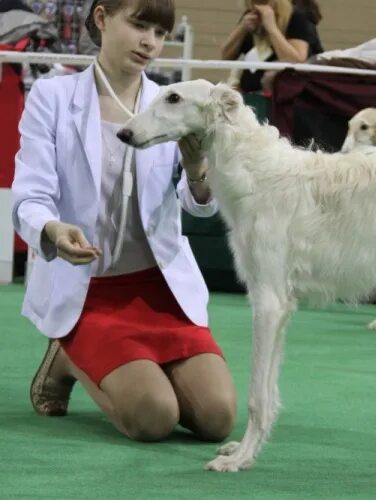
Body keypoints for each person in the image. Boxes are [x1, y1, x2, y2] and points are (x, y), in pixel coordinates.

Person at [12, 0, 236, 442]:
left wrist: (197, 173)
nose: (150, 41)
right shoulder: (52, 97)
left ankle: (127, 367)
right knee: (153, 418)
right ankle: (65, 354)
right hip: (88, 290)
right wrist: (54, 230)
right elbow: (29, 198)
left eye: (160, 32)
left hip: (160, 289)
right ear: (101, 17)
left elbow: (199, 206)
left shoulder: (172, 99)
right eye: (139, 25)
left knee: (218, 418)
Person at [220, 0, 322, 93]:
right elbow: (226, 55)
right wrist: (242, 28)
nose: (258, 6)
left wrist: (271, 28)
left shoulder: (296, 17)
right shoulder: (250, 16)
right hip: (251, 95)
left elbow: (296, 60)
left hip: (285, 97)